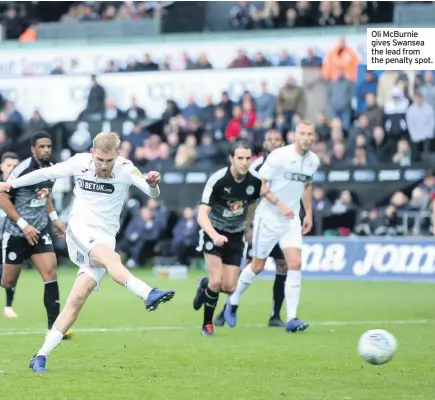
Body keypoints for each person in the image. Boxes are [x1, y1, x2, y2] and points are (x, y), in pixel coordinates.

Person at [0, 131, 175, 373]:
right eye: (100, 160)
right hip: (79, 230)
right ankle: (148, 293)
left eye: (109, 160)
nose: (103, 165)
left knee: (76, 300)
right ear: (93, 153)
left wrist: (153, 184)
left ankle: (40, 356)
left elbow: (150, 191)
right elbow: (46, 173)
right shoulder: (80, 162)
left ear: (118, 154)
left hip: (105, 237)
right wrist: (12, 183)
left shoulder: (126, 168)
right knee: (112, 259)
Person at [223, 121, 320, 333]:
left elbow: (307, 185)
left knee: (294, 264)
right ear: (295, 136)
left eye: (309, 134)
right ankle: (233, 301)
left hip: (291, 219)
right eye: (302, 133)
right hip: (268, 218)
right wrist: (280, 205)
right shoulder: (279, 157)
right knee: (256, 267)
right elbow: (261, 186)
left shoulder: (313, 161)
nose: (305, 138)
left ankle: (291, 317)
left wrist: (308, 214)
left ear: (313, 137)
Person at [213, 130, 288, 328]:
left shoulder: (290, 164)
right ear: (264, 144)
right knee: (250, 266)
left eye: (277, 140)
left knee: (283, 265)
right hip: (261, 225)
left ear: (283, 143)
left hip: (283, 224)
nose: (273, 143)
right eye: (269, 140)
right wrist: (248, 226)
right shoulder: (256, 167)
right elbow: (247, 199)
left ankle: (275, 315)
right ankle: (228, 307)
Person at [0, 132, 70, 340]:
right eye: (42, 147)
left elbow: (44, 194)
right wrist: (23, 225)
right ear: (33, 149)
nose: (47, 150)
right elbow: (3, 198)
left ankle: (55, 329)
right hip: (16, 234)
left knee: (51, 274)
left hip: (40, 231)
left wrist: (55, 218)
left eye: (49, 146)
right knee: (8, 281)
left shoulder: (52, 169)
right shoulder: (22, 170)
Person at [193, 141, 261, 336]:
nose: (244, 162)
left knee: (230, 286)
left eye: (248, 158)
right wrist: (214, 235)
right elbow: (201, 214)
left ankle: (203, 286)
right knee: (217, 281)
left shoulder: (255, 181)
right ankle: (207, 324)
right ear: (232, 159)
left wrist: (248, 226)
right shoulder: (218, 180)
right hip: (212, 232)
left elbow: (253, 204)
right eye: (240, 158)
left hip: (236, 235)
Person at [0, 152, 20, 318]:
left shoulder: (20, 187)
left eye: (15, 166)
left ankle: (8, 306)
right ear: (2, 166)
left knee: (11, 271)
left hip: (10, 235)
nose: (11, 169)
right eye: (8, 165)